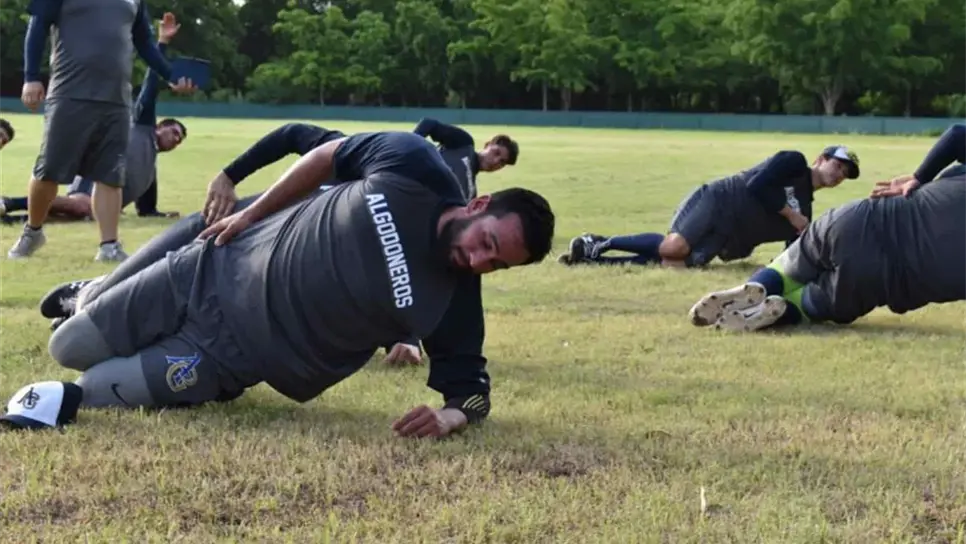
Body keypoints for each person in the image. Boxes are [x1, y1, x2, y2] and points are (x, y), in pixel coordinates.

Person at [26, 131, 555, 439]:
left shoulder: (454, 300)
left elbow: (474, 394)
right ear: (479, 205)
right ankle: (94, 291)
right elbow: (324, 155)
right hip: (206, 270)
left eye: (497, 265)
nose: (479, 261)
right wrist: (250, 213)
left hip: (229, 355)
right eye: (487, 243)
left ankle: (110, 305)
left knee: (90, 389)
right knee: (68, 345)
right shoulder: (414, 164)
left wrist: (449, 414)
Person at [687, 124, 966, 332]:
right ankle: (776, 313)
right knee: (816, 302)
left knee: (794, 263)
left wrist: (917, 179)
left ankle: (759, 286)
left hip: (859, 220)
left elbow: (956, 135)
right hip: (882, 276)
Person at [9, 5, 191, 262]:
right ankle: (33, 231)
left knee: (110, 175)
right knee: (48, 170)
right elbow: (37, 26)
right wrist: (31, 77)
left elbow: (144, 44)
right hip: (70, 93)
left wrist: (171, 75)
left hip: (117, 101)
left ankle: (109, 246)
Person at [558, 146, 861, 268]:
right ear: (821, 159)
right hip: (719, 200)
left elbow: (791, 254)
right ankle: (597, 242)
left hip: (730, 233)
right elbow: (757, 184)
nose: (839, 174)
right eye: (838, 165)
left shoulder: (806, 211)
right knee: (674, 247)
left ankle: (594, 261)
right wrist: (790, 214)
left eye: (845, 174)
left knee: (676, 265)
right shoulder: (793, 162)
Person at [413, 118, 519, 202]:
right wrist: (407, 150)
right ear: (488, 144)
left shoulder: (470, 195)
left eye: (502, 162)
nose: (496, 162)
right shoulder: (464, 143)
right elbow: (429, 124)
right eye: (496, 153)